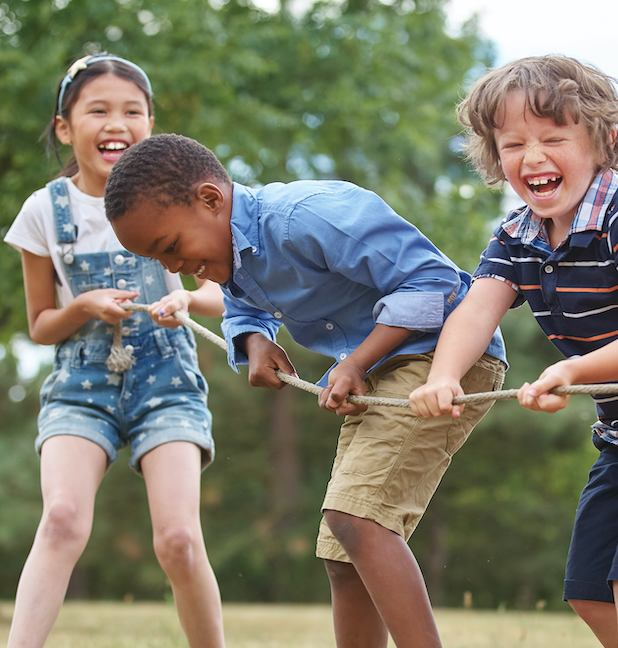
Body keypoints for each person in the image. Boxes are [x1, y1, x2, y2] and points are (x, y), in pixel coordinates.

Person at [103, 132, 507, 648]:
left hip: (443, 357)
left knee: (356, 519)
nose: (174, 269)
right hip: (384, 368)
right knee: (343, 554)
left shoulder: (307, 216)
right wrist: (254, 343)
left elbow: (433, 280)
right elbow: (242, 302)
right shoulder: (234, 250)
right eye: (158, 260)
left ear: (210, 199)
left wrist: (356, 361)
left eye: (172, 248)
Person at [408, 55, 618, 648]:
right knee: (590, 591)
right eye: (513, 143)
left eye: (553, 138)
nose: (533, 157)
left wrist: (573, 369)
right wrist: (442, 374)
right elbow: (476, 309)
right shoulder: (518, 234)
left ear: (604, 140)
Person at [3, 54, 226, 648]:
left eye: (132, 111)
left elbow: (223, 295)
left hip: (168, 379)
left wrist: (186, 302)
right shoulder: (42, 212)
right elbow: (41, 325)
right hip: (81, 383)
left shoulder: (185, 199)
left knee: (178, 538)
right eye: (97, 110)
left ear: (151, 125)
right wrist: (84, 306)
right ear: (63, 127)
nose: (116, 123)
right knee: (62, 521)